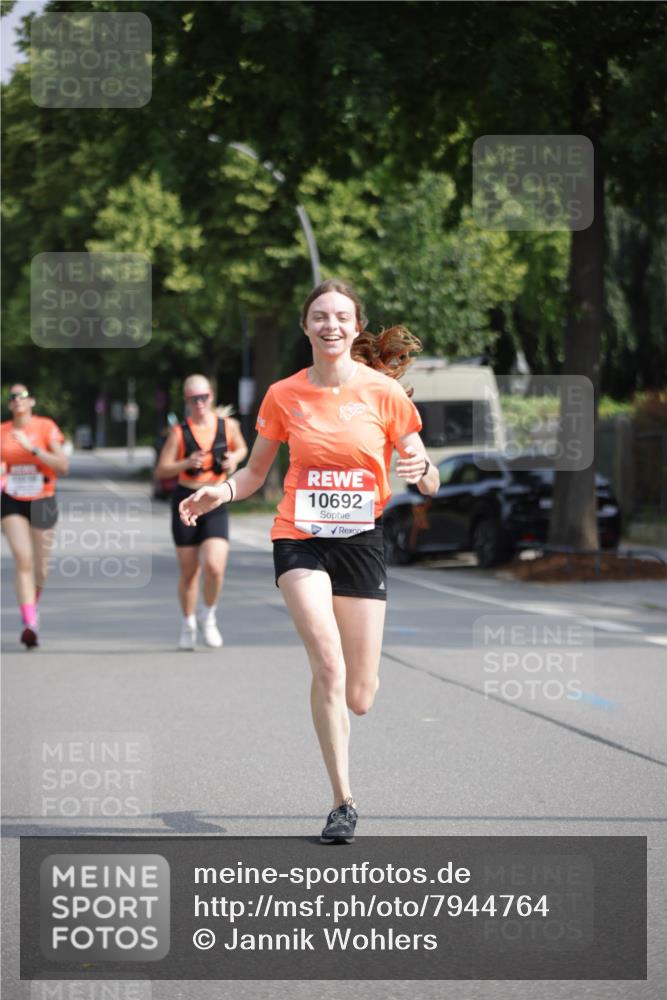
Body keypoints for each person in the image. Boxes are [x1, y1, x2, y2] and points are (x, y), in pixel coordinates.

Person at [179, 280, 440, 842]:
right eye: (319, 316)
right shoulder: (283, 394)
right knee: (327, 661)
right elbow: (253, 475)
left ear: (355, 325)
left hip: (362, 542)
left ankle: (350, 703)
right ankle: (343, 801)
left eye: (341, 316)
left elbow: (427, 469)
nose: (330, 325)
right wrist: (216, 494)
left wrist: (424, 474)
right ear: (305, 326)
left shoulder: (385, 394)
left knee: (360, 696)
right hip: (299, 537)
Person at [156, 375, 248, 650]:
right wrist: (186, 461)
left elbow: (242, 448)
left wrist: (235, 458)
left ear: (212, 396)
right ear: (186, 401)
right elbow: (162, 470)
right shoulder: (178, 433)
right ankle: (188, 623)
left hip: (215, 500)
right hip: (187, 500)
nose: (200, 403)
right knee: (189, 573)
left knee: (215, 568)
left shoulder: (227, 425)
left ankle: (208, 615)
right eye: (194, 399)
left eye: (204, 397)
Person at [1, 384, 69, 648]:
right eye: (13, 397)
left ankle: (33, 605)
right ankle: (29, 622)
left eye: (22, 396)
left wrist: (33, 450)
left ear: (32, 402)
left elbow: (62, 465)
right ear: (9, 405)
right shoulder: (2, 432)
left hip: (43, 499)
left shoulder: (44, 427)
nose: (17, 400)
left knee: (41, 569)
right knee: (23, 558)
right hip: (11, 500)